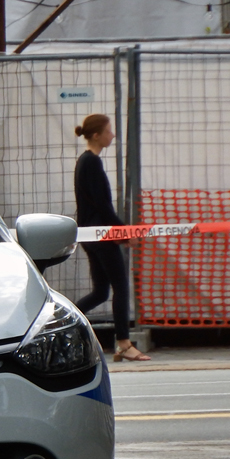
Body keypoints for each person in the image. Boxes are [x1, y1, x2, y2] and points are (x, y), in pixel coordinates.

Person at [73, 113, 151, 362]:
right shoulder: (91, 162)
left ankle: (59, 320)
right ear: (97, 135)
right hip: (100, 234)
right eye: (109, 131)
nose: (113, 135)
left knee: (100, 292)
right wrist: (124, 231)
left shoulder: (86, 161)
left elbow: (98, 205)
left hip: (92, 234)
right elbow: (103, 204)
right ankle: (124, 344)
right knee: (119, 286)